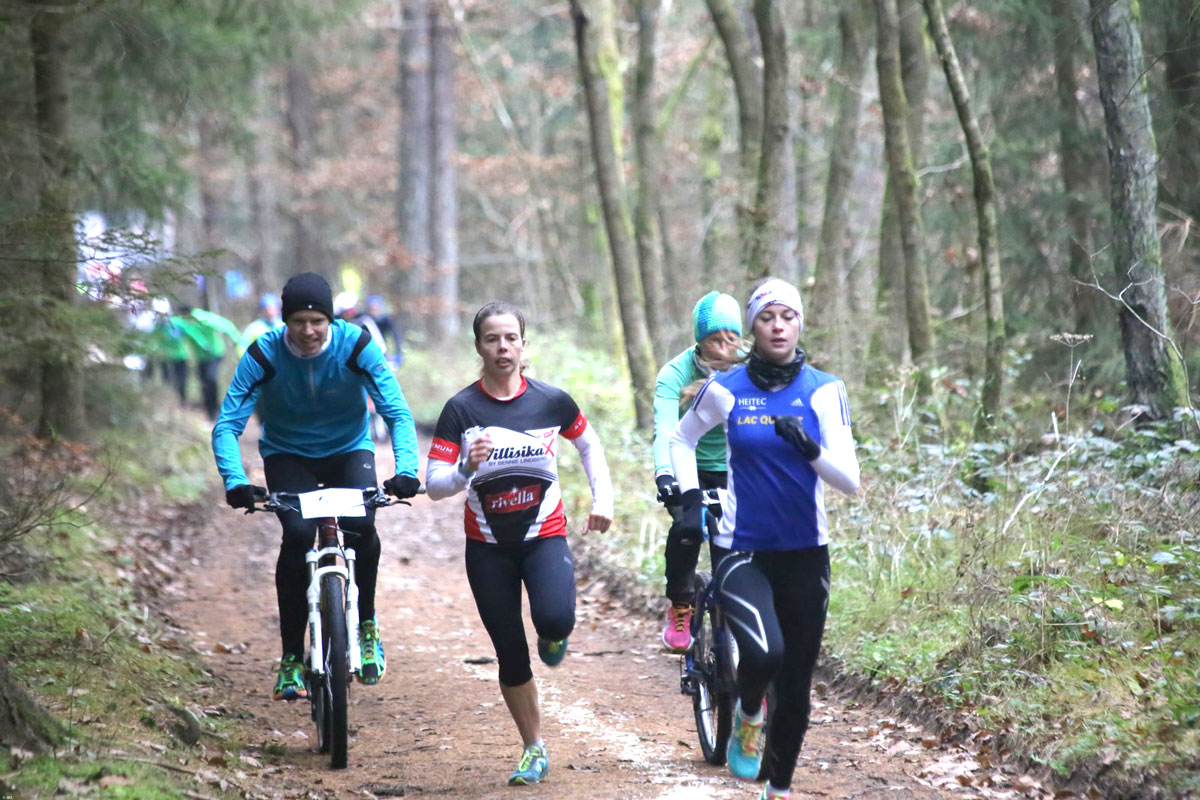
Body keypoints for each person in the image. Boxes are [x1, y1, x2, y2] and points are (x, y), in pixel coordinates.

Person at [669, 278, 860, 800]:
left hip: (805, 553)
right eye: (767, 317)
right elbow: (681, 440)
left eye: (788, 317)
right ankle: (748, 711)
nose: (779, 326)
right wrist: (688, 502)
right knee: (764, 653)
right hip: (742, 548)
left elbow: (851, 481)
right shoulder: (727, 389)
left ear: (800, 325)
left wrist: (812, 451)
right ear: (753, 327)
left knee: (796, 688)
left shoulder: (824, 389)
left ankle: (777, 790)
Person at [424, 301, 613, 787]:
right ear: (479, 346)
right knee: (510, 651)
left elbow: (589, 444)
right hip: (487, 546)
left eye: (511, 338)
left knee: (555, 618)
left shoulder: (551, 401)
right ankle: (534, 747)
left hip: (543, 535)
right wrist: (466, 468)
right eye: (492, 339)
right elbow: (434, 484)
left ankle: (554, 634)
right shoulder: (461, 410)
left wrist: (603, 499)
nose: (502, 347)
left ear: (524, 345)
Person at [211, 272, 421, 701]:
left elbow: (396, 412)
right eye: (299, 321)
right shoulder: (263, 353)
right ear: (285, 321)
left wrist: (408, 471)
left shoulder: (356, 345)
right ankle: (291, 658)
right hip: (288, 454)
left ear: (330, 320)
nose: (308, 331)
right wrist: (235, 481)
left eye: (317, 321)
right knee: (299, 535)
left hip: (348, 449)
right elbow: (228, 424)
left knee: (362, 527)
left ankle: (366, 626)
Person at [652, 291, 743, 652]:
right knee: (689, 527)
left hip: (735, 467)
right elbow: (665, 429)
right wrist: (665, 475)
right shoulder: (675, 373)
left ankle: (736, 619)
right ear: (698, 341)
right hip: (685, 464)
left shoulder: (750, 371)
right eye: (713, 340)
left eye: (730, 339)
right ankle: (681, 604)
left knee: (733, 547)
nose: (723, 348)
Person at [177, 305, 244, 420]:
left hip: (215, 354)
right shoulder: (182, 322)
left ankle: (216, 409)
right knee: (204, 383)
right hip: (201, 357)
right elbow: (178, 328)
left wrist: (236, 339)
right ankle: (210, 412)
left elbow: (226, 325)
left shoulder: (203, 317)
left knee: (210, 379)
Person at [364, 294, 403, 365]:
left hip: (381, 352)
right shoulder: (364, 320)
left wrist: (398, 352)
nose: (374, 311)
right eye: (372, 308)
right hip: (366, 353)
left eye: (376, 308)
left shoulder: (385, 320)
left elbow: (396, 336)